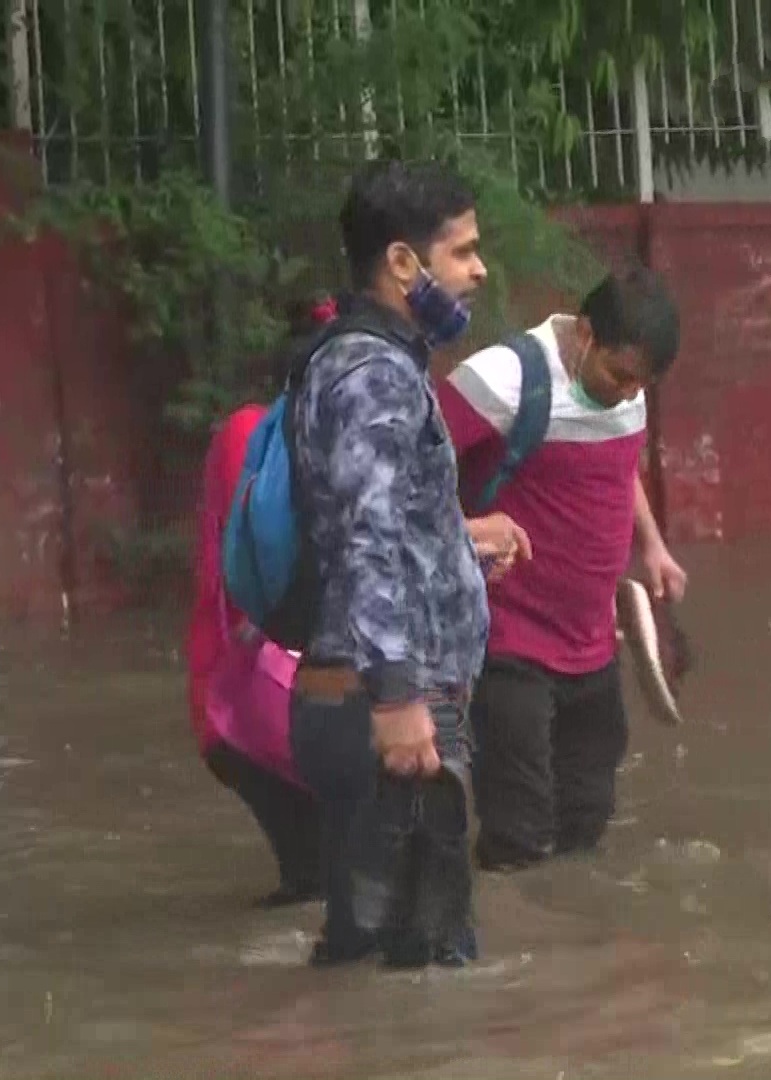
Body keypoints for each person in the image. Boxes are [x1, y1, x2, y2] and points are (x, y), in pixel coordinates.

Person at [286, 159, 524, 969]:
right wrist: (398, 701)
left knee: (378, 968)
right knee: (421, 973)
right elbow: (366, 539)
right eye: (462, 252)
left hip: (376, 695)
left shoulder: (368, 361)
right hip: (388, 706)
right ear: (402, 263)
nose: (479, 270)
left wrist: (459, 542)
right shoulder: (373, 375)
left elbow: (378, 519)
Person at [436, 268, 686, 872]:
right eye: (619, 376)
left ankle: (573, 951)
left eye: (642, 384)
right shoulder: (500, 380)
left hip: (594, 643)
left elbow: (618, 470)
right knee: (517, 837)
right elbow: (406, 467)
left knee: (586, 823)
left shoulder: (629, 389)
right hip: (508, 642)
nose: (628, 394)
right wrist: (463, 535)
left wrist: (652, 545)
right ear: (586, 333)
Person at [188, 401, 321, 908]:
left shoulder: (284, 433)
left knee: (326, 887)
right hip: (250, 705)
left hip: (273, 697)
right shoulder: (254, 434)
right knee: (323, 885)